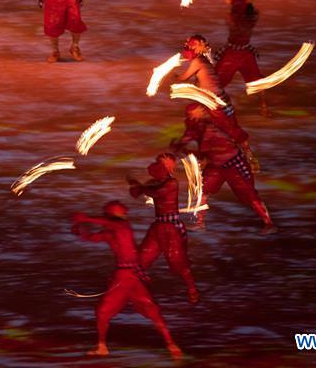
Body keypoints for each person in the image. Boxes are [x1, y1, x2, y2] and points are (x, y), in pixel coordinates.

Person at [72, 201, 182, 359]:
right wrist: (79, 229)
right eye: (123, 213)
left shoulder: (122, 226)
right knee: (151, 310)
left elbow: (108, 223)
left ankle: (102, 346)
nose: (125, 215)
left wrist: (85, 219)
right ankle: (172, 345)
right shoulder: (112, 232)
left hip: (124, 277)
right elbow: (91, 237)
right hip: (131, 276)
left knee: (104, 312)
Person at [172, 104, 276, 234]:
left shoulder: (220, 121)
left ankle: (269, 224)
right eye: (190, 113)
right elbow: (188, 140)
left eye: (194, 111)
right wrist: (179, 146)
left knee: (250, 195)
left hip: (234, 163)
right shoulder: (194, 126)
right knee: (203, 192)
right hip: (215, 165)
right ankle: (200, 224)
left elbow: (240, 137)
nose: (191, 115)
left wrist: (251, 158)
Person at [127, 153, 199, 303]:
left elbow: (157, 193)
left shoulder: (172, 183)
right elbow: (137, 193)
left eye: (167, 163)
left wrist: (141, 187)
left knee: (178, 261)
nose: (165, 166)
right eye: (162, 163)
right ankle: (131, 290)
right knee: (142, 259)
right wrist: (136, 186)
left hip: (170, 228)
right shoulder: (155, 181)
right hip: (159, 226)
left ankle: (192, 289)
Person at [215, 0, 271, 116]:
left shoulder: (233, 16)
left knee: (216, 81)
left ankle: (213, 109)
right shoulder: (252, 15)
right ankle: (264, 107)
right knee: (256, 81)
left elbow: (231, 24)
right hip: (246, 53)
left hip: (232, 54)